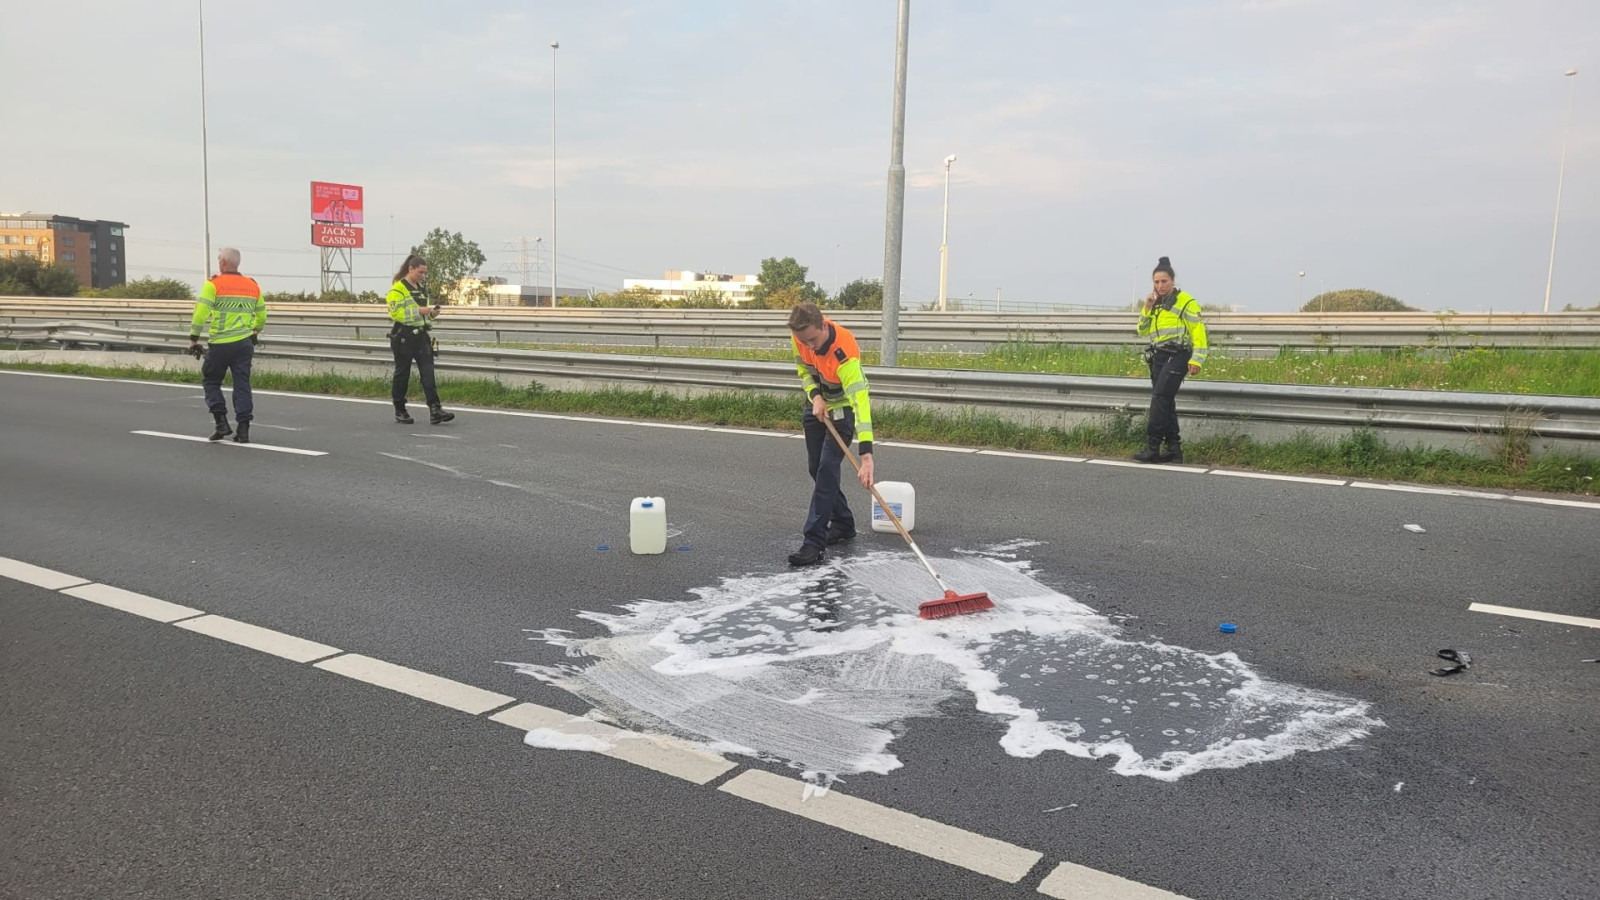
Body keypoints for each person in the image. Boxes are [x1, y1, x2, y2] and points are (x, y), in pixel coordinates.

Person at [786, 302, 876, 567]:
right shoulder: (799, 338)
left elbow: (861, 403)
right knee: (816, 468)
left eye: (813, 339)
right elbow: (803, 371)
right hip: (816, 406)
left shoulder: (844, 353)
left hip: (843, 410)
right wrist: (815, 396)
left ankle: (814, 542)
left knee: (827, 469)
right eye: (804, 341)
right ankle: (844, 524)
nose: (809, 346)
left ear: (824, 325)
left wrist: (866, 455)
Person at [1134, 256, 1208, 463]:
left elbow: (1198, 331)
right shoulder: (1154, 303)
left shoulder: (1186, 302)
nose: (1160, 286)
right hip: (1158, 356)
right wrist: (1147, 308)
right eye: (1156, 282)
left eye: (1164, 281)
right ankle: (1174, 449)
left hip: (1178, 355)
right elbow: (1141, 330)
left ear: (1172, 281)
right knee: (1166, 401)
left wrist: (1197, 360)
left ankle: (1153, 446)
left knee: (1159, 398)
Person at [189, 247, 266, 443]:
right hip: (244, 344)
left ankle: (221, 422)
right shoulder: (252, 285)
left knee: (211, 381)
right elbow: (262, 315)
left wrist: (194, 338)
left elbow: (200, 314)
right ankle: (243, 429)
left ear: (222, 263)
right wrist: (254, 331)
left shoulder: (213, 284)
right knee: (242, 385)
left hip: (221, 344)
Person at [386, 254, 454, 425]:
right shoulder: (397, 290)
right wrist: (419, 312)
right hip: (403, 336)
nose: (422, 276)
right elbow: (395, 313)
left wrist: (431, 314)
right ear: (411, 269)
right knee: (403, 374)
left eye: (424, 273)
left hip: (421, 336)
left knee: (428, 373)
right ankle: (400, 410)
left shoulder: (422, 289)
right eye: (420, 273)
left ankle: (435, 409)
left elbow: (423, 316)